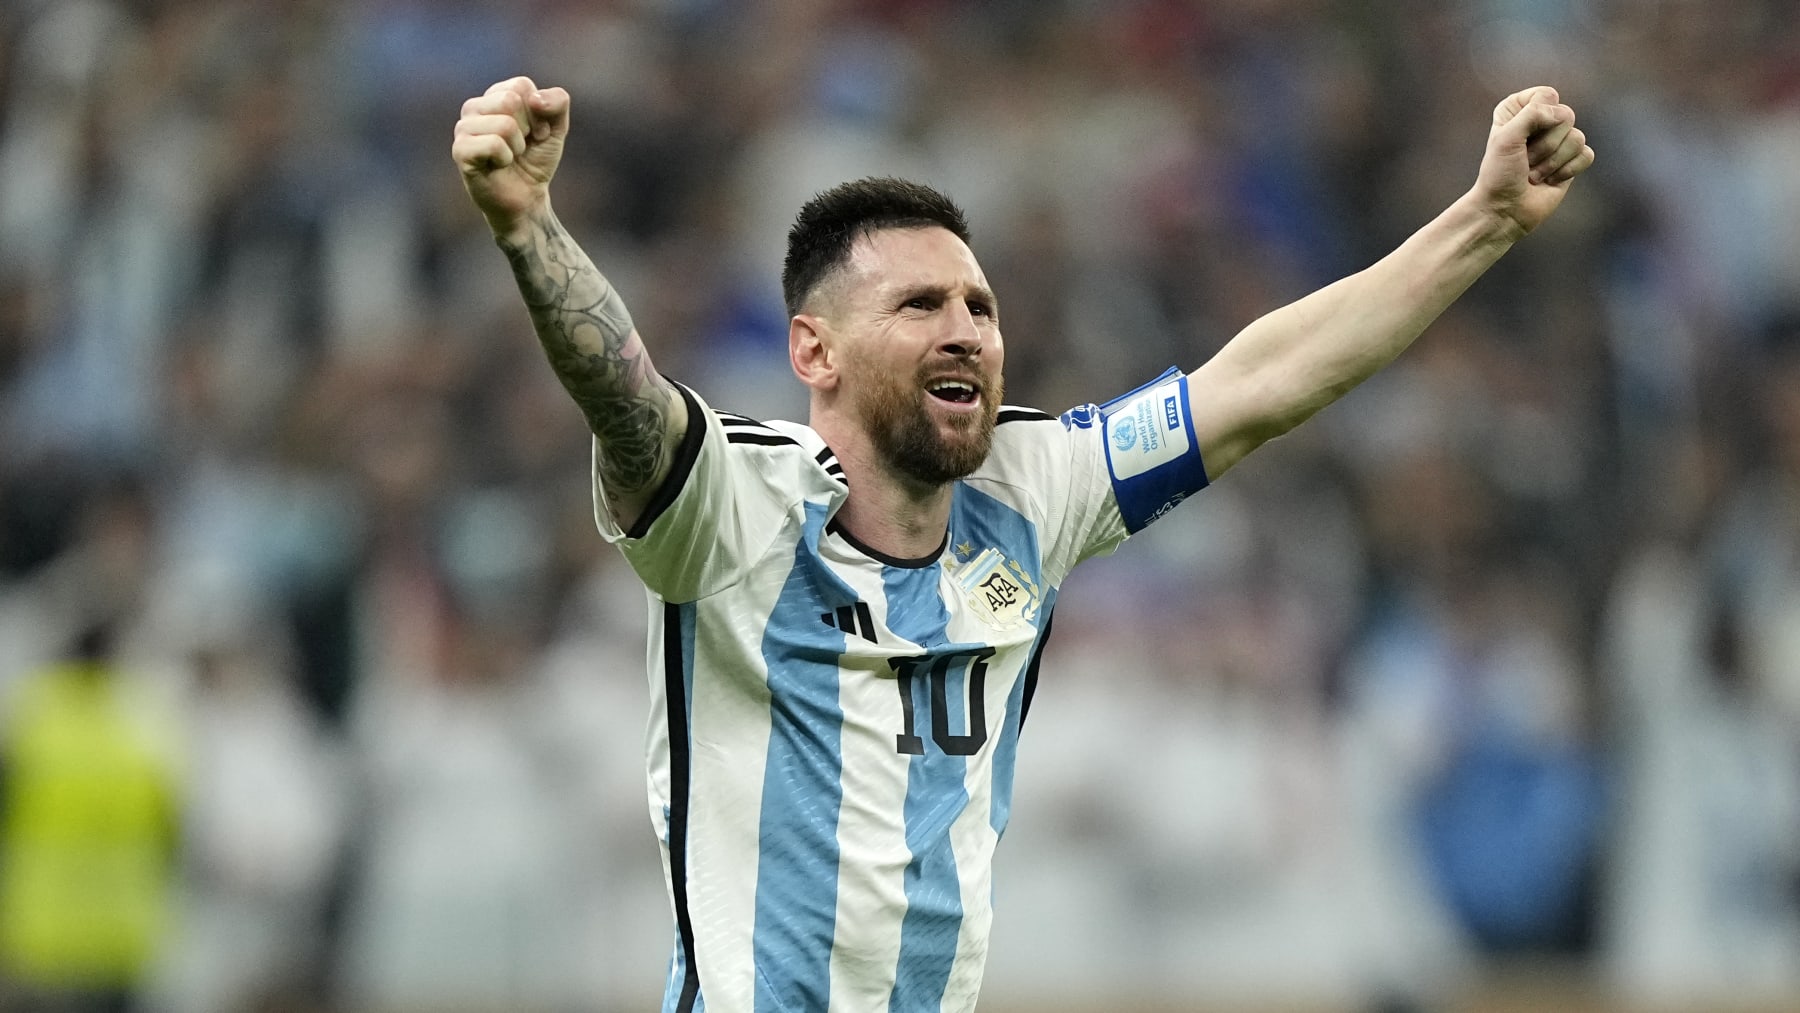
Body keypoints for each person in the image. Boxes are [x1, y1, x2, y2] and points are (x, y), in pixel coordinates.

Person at [451, 74, 1594, 1012]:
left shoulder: (1035, 487)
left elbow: (1263, 382)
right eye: (918, 306)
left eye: (979, 306)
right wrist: (528, 225)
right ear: (814, 352)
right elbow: (626, 395)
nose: (965, 330)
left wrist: (1483, 220)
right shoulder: (735, 507)